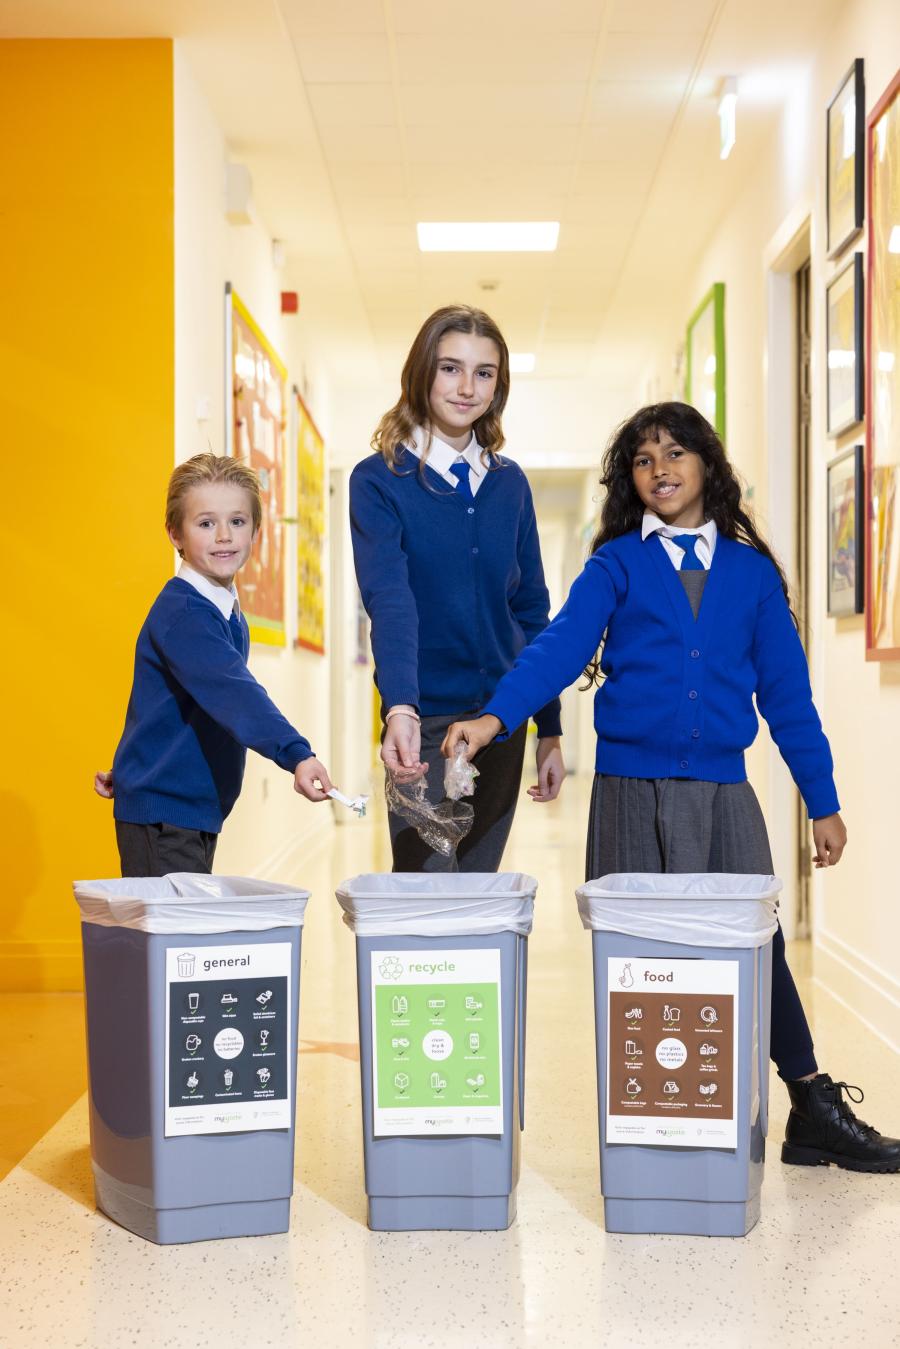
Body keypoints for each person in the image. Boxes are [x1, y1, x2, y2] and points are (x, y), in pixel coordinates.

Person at [442, 402, 899, 1172]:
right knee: (640, 961)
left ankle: (811, 1103)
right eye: (644, 459)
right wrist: (495, 719)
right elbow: (556, 648)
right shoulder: (615, 565)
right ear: (631, 479)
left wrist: (823, 800)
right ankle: (655, 1116)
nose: (660, 469)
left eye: (676, 452)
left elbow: (787, 698)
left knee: (759, 946)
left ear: (708, 467)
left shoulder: (752, 577)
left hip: (722, 795)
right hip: (629, 792)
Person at [349, 304, 566, 872]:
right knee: (422, 893)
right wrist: (399, 707)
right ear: (422, 372)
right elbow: (389, 600)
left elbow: (532, 611)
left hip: (499, 722)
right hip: (419, 725)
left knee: (478, 892)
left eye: (485, 373)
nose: (467, 387)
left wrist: (550, 727)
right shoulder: (379, 481)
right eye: (450, 368)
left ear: (499, 385)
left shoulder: (508, 484)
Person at [94, 453, 333, 876]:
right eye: (206, 524)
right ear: (175, 533)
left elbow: (170, 702)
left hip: (189, 807)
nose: (224, 536)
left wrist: (136, 764)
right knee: (173, 938)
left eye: (237, 522)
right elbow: (235, 694)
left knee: (181, 937)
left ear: (256, 530)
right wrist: (296, 754)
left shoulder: (222, 610)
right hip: (167, 815)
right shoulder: (186, 614)